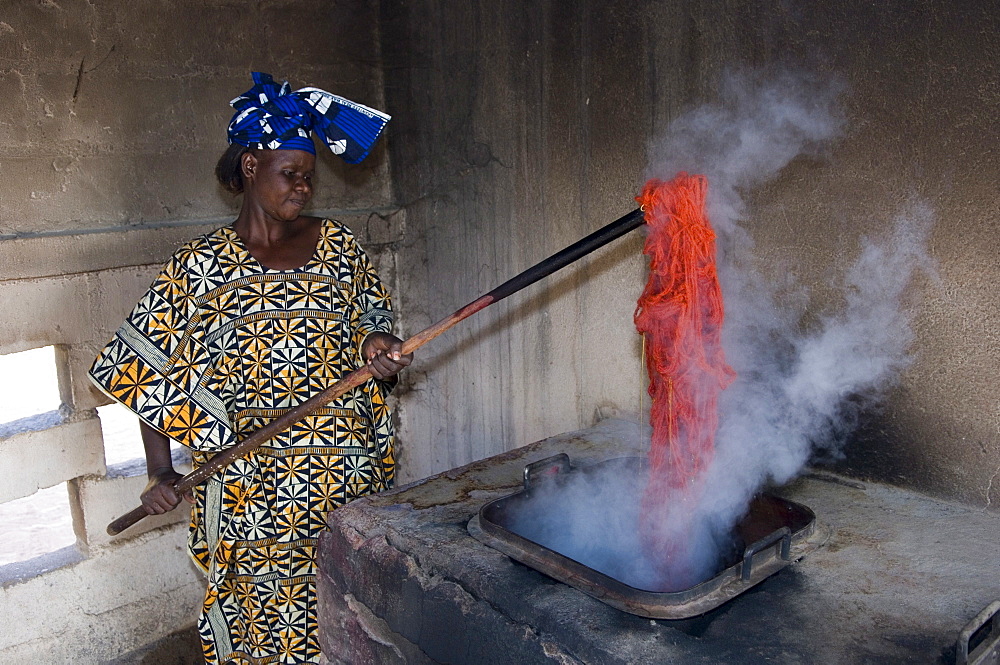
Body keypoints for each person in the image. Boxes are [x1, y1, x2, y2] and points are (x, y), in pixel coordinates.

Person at [89, 72, 411, 664]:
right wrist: (161, 475)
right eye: (290, 174)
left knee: (348, 607)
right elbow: (144, 369)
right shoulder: (201, 265)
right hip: (247, 487)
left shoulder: (340, 247)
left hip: (345, 472)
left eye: (309, 177)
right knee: (265, 623)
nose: (303, 189)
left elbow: (372, 319)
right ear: (249, 168)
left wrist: (377, 346)